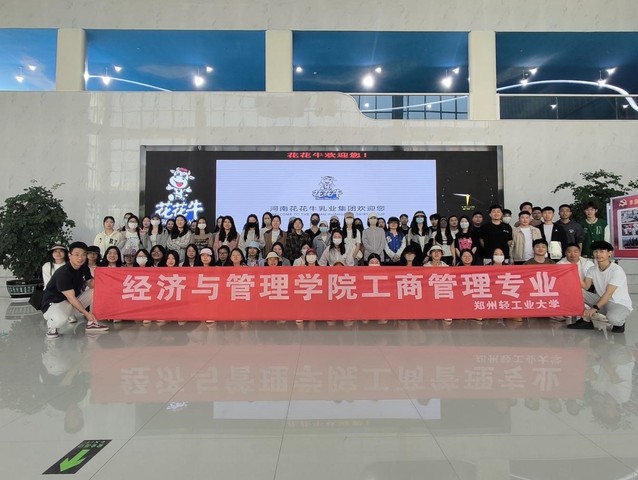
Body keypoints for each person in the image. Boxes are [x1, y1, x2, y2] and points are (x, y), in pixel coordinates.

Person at [41, 241, 109, 338]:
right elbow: (71, 298)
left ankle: (91, 323)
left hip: (70, 303)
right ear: (69, 255)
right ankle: (52, 325)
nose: (80, 258)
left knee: (97, 291)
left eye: (83, 255)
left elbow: (91, 284)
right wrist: (86, 314)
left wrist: (100, 274)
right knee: (60, 319)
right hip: (54, 305)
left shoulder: (84, 267)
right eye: (77, 255)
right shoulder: (63, 273)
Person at [568, 241, 632, 333]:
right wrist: (574, 274)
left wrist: (594, 308)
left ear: (609, 253)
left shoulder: (616, 270)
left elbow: (608, 293)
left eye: (602, 251)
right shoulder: (592, 269)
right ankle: (586, 320)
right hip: (601, 300)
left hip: (618, 303)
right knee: (576, 292)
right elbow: (585, 286)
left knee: (613, 319)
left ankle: (620, 322)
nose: (598, 254)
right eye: (596, 251)